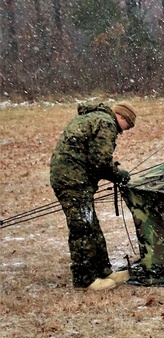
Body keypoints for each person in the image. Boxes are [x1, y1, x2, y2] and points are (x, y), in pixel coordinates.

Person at [49, 100, 135, 291]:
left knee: (91, 225)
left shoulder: (95, 118)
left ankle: (103, 271)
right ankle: (84, 279)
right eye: (127, 126)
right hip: (72, 179)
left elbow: (93, 157)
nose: (124, 131)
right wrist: (117, 174)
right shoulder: (106, 123)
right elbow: (100, 161)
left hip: (73, 177)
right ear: (121, 117)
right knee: (82, 227)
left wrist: (112, 171)